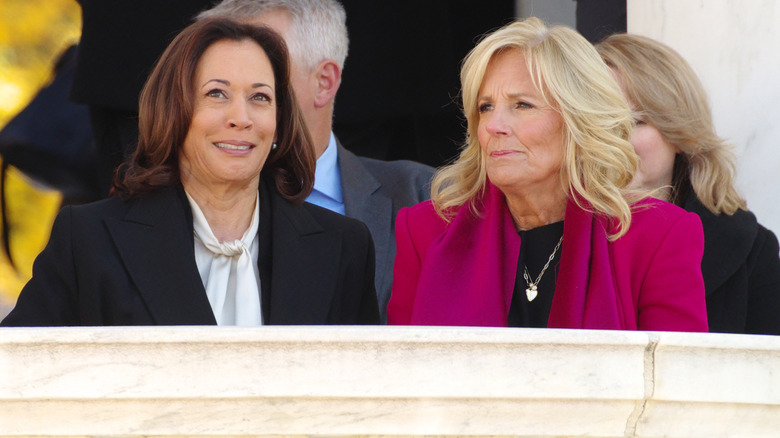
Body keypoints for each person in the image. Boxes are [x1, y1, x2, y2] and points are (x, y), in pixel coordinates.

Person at [1, 19, 379, 326]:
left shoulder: (344, 246)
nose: (241, 118)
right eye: (217, 94)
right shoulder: (87, 239)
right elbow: (17, 373)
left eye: (260, 97)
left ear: (279, 124)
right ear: (174, 110)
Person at [386, 18, 708, 331]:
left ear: (577, 121)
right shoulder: (425, 233)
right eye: (486, 107)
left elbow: (675, 380)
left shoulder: (659, 237)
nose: (494, 126)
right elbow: (398, 376)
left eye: (522, 105)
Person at [198, 0, 435, 323]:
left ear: (324, 82)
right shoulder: (163, 208)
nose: (237, 112)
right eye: (216, 87)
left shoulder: (425, 196)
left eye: (265, 71)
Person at [597, 34, 780, 335]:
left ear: (680, 134)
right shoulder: (549, 235)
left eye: (636, 122)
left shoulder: (750, 250)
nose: (616, 141)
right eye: (601, 122)